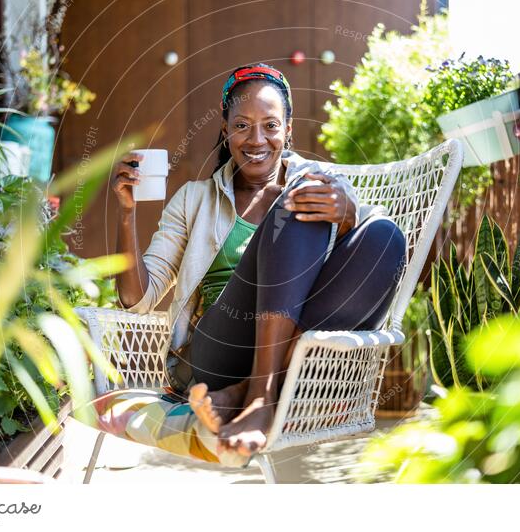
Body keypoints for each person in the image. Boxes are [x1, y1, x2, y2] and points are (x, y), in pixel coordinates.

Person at [111, 63, 406, 458]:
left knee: (385, 234)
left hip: (309, 358)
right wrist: (126, 212)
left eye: (270, 125)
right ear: (225, 130)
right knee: (296, 205)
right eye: (242, 125)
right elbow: (137, 299)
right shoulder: (194, 199)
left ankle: (247, 392)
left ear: (288, 130)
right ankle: (262, 396)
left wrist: (350, 213)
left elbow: (360, 266)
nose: (257, 139)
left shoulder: (318, 182)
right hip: (217, 352)